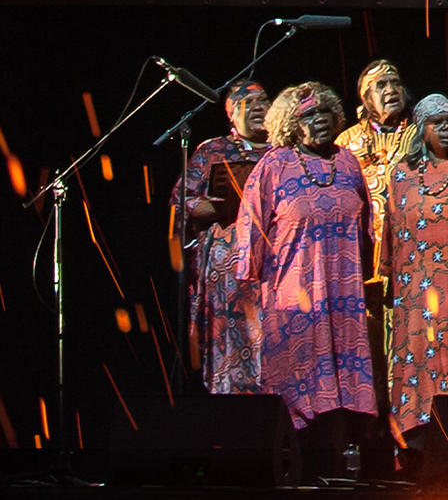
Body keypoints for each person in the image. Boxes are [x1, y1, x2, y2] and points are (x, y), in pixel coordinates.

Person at [230, 83, 376, 452]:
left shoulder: (347, 162)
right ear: (292, 126)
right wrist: (249, 275)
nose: (319, 121)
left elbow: (366, 227)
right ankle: (297, 461)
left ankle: (341, 461)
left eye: (324, 112)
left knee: (343, 381)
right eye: (308, 115)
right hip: (294, 294)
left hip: (344, 292)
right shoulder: (273, 166)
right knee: (299, 378)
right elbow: (251, 226)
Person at [381, 94, 448, 440]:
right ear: (420, 130)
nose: (447, 128)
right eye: (437, 122)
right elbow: (392, 238)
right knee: (421, 361)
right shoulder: (401, 176)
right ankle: (419, 440)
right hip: (418, 292)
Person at [175, 79, 272, 395]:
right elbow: (182, 200)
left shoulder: (285, 150)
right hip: (227, 276)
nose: (259, 108)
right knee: (231, 344)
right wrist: (220, 207)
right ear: (230, 114)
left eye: (264, 101)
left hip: (275, 267)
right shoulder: (212, 150)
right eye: (248, 103)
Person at [336, 60, 417, 269]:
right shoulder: (346, 143)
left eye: (395, 83)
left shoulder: (422, 134)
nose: (391, 90)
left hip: (415, 239)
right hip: (365, 244)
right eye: (381, 85)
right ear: (366, 98)